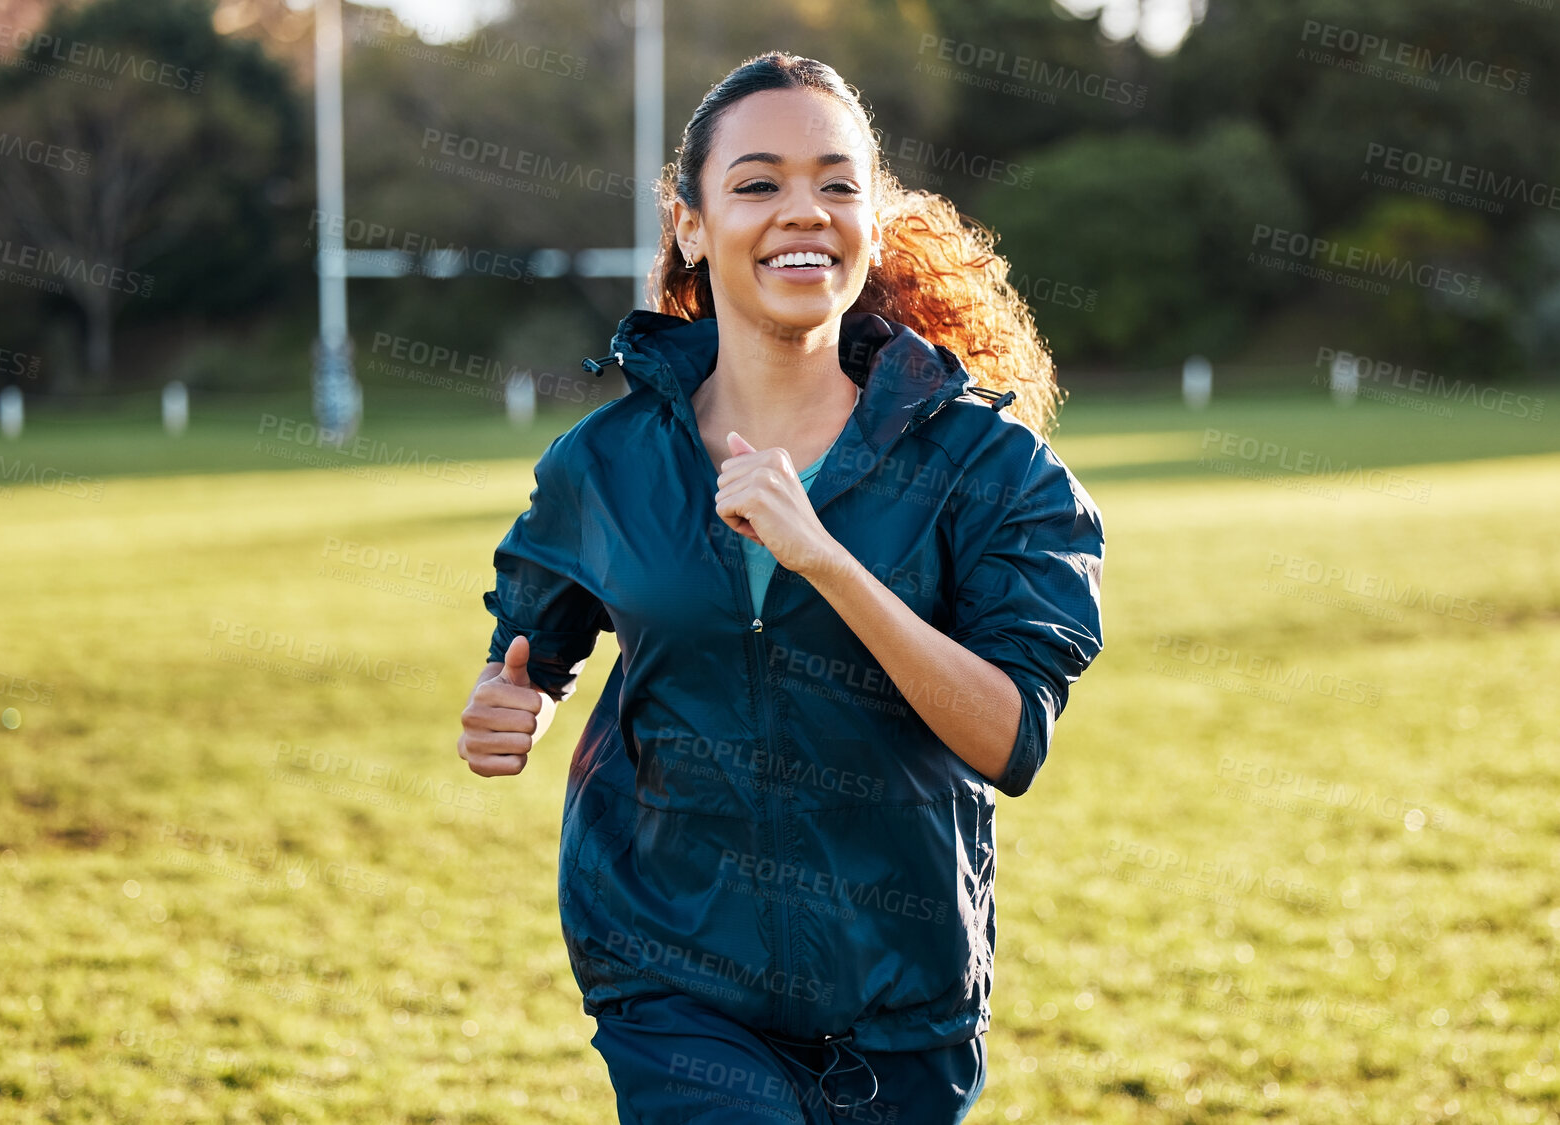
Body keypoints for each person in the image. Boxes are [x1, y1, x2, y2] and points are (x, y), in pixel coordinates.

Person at [457, 51, 1105, 1125]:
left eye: (836, 182)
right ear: (693, 225)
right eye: (757, 183)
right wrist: (508, 700)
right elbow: (534, 641)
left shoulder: (991, 470)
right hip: (672, 983)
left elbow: (1009, 738)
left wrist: (826, 560)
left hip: (903, 1005)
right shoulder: (605, 463)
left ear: (873, 219)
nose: (801, 211)